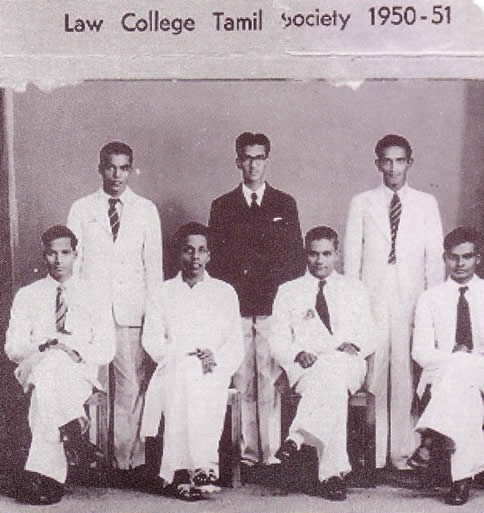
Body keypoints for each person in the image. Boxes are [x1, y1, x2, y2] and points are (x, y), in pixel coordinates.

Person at [344, 134, 444, 470]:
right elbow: (351, 258)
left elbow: (434, 258)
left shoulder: (425, 202)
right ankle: (372, 454)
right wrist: (353, 307)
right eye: (386, 160)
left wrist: (434, 306)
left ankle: (402, 454)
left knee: (406, 376)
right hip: (373, 299)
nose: (393, 167)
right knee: (374, 373)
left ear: (410, 163)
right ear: (377, 164)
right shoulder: (362, 202)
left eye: (400, 160)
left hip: (412, 301)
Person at [208, 132, 306, 468]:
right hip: (237, 306)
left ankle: (272, 454)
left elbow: (295, 259)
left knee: (269, 377)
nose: (253, 164)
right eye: (247, 157)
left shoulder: (284, 203)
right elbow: (216, 262)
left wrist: (283, 302)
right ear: (237, 161)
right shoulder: (222, 206)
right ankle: (247, 454)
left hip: (272, 306)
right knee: (241, 378)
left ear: (267, 160)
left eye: (259, 157)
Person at [67, 141, 163, 479]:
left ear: (131, 169)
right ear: (100, 168)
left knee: (130, 387)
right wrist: (75, 312)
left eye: (123, 167)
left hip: (131, 312)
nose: (116, 174)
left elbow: (154, 267)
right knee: (88, 384)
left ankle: (127, 463)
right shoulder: (81, 208)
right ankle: (90, 462)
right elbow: (73, 265)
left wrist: (154, 315)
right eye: (110, 166)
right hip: (91, 312)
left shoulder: (145, 209)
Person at [5, 225, 115, 505]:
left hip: (78, 371)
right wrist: (45, 346)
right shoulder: (27, 295)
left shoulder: (95, 294)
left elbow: (106, 348)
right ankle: (72, 430)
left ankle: (46, 478)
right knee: (49, 364)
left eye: (65, 253)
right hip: (36, 366)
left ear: (75, 254)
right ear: (44, 255)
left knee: (47, 388)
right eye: (52, 253)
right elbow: (13, 348)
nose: (58, 260)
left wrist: (72, 351)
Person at [270, 226, 375, 501]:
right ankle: (332, 475)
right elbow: (277, 340)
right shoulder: (288, 290)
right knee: (331, 384)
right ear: (306, 254)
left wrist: (357, 344)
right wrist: (296, 353)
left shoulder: (354, 289)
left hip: (347, 362)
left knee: (334, 370)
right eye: (314, 254)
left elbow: (371, 333)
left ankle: (297, 436)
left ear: (336, 254)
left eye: (326, 254)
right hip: (308, 367)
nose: (320, 261)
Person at [140, 222, 243, 501]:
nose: (195, 257)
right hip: (173, 366)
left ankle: (189, 470)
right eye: (188, 250)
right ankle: (193, 469)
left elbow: (235, 340)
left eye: (201, 251)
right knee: (184, 375)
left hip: (211, 368)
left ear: (210, 255)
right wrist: (176, 355)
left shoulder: (224, 292)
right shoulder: (162, 292)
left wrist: (216, 357)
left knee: (198, 379)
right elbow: (152, 339)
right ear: (178, 253)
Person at [409, 227, 484, 506]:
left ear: (477, 258)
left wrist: (466, 360)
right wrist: (457, 359)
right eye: (454, 257)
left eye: (467, 257)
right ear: (445, 258)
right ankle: (461, 479)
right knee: (463, 385)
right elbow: (421, 352)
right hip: (444, 376)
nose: (460, 264)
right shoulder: (431, 298)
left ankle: (429, 438)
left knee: (463, 369)